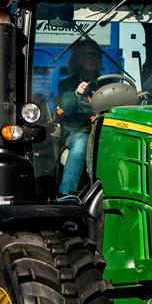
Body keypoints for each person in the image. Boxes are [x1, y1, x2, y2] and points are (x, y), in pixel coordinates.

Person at [53, 39, 103, 197]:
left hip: (103, 132)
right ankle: (66, 194)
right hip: (77, 132)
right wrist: (77, 94)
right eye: (88, 55)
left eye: (96, 55)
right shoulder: (67, 85)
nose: (94, 59)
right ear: (78, 59)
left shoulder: (108, 83)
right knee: (82, 142)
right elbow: (67, 109)